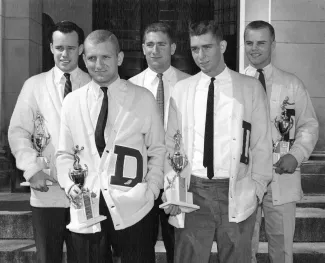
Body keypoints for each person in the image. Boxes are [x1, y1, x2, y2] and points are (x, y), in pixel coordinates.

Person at [163, 20, 273, 263]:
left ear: (222, 46)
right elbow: (171, 145)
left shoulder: (250, 88)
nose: (200, 56)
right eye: (194, 49)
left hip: (236, 189)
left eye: (207, 47)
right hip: (193, 190)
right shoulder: (182, 90)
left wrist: (257, 190)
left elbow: (262, 144)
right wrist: (172, 190)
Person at [56, 29, 165, 263]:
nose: (99, 64)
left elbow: (157, 150)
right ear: (84, 60)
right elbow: (64, 154)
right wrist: (69, 185)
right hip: (87, 207)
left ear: (120, 58)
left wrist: (152, 190)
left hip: (135, 208)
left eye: (106, 57)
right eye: (92, 58)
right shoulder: (71, 102)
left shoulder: (143, 98)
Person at [8, 21, 90, 263]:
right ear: (51, 48)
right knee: (48, 258)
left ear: (82, 49)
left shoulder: (93, 85)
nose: (65, 54)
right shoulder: (33, 86)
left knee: (84, 258)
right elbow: (18, 132)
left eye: (71, 48)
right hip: (46, 190)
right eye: (59, 47)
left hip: (84, 192)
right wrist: (32, 170)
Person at [243, 20, 319, 263]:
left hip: (281, 173)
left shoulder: (292, 84)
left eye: (261, 43)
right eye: (249, 43)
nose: (254, 48)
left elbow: (309, 125)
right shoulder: (234, 83)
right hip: (246, 176)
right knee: (243, 250)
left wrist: (295, 155)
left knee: (282, 250)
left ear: (273, 45)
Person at [129, 21, 189, 262]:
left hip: (178, 176)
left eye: (161, 44)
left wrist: (182, 180)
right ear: (143, 48)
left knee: (179, 247)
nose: (155, 50)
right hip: (143, 179)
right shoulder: (130, 86)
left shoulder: (190, 84)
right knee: (141, 247)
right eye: (150, 44)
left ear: (173, 48)